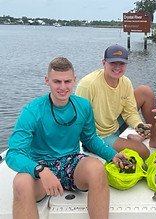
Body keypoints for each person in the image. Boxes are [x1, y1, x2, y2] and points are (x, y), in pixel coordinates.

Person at [6, 57, 129, 219]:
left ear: (74, 81)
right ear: (47, 81)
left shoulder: (83, 106)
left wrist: (111, 154)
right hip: (41, 165)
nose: (63, 87)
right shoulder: (32, 111)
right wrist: (40, 170)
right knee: (21, 183)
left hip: (71, 162)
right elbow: (13, 154)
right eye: (57, 82)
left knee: (96, 168)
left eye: (67, 81)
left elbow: (90, 139)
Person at [75, 44, 156, 159]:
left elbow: (130, 112)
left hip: (113, 125)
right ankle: (129, 141)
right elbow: (78, 120)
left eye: (122, 63)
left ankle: (153, 138)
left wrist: (138, 125)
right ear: (104, 63)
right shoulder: (88, 85)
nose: (117, 67)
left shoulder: (126, 82)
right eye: (113, 63)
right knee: (143, 152)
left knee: (145, 92)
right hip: (98, 136)